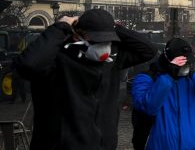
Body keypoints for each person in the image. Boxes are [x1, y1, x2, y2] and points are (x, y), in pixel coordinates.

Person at [13, 9, 156, 149]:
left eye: (108, 41)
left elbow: (148, 50)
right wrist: (61, 27)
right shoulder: (56, 61)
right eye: (96, 40)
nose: (104, 47)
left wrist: (111, 26)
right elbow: (28, 65)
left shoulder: (112, 61)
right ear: (77, 36)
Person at [132, 37, 195, 150]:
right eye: (181, 63)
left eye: (187, 63)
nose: (185, 67)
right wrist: (168, 76)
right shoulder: (146, 78)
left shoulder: (190, 79)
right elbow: (148, 107)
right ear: (169, 61)